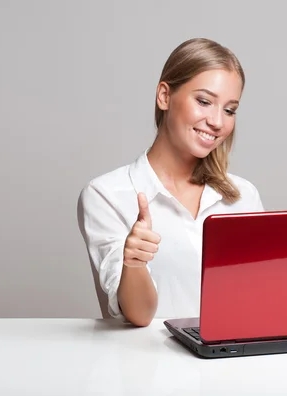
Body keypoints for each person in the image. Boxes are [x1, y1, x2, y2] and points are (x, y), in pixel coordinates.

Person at [77, 38, 264, 327]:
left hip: (230, 367)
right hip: (148, 368)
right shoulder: (106, 195)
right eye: (204, 101)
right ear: (164, 96)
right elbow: (138, 316)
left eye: (229, 110)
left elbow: (258, 301)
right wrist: (134, 263)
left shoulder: (243, 197)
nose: (217, 121)